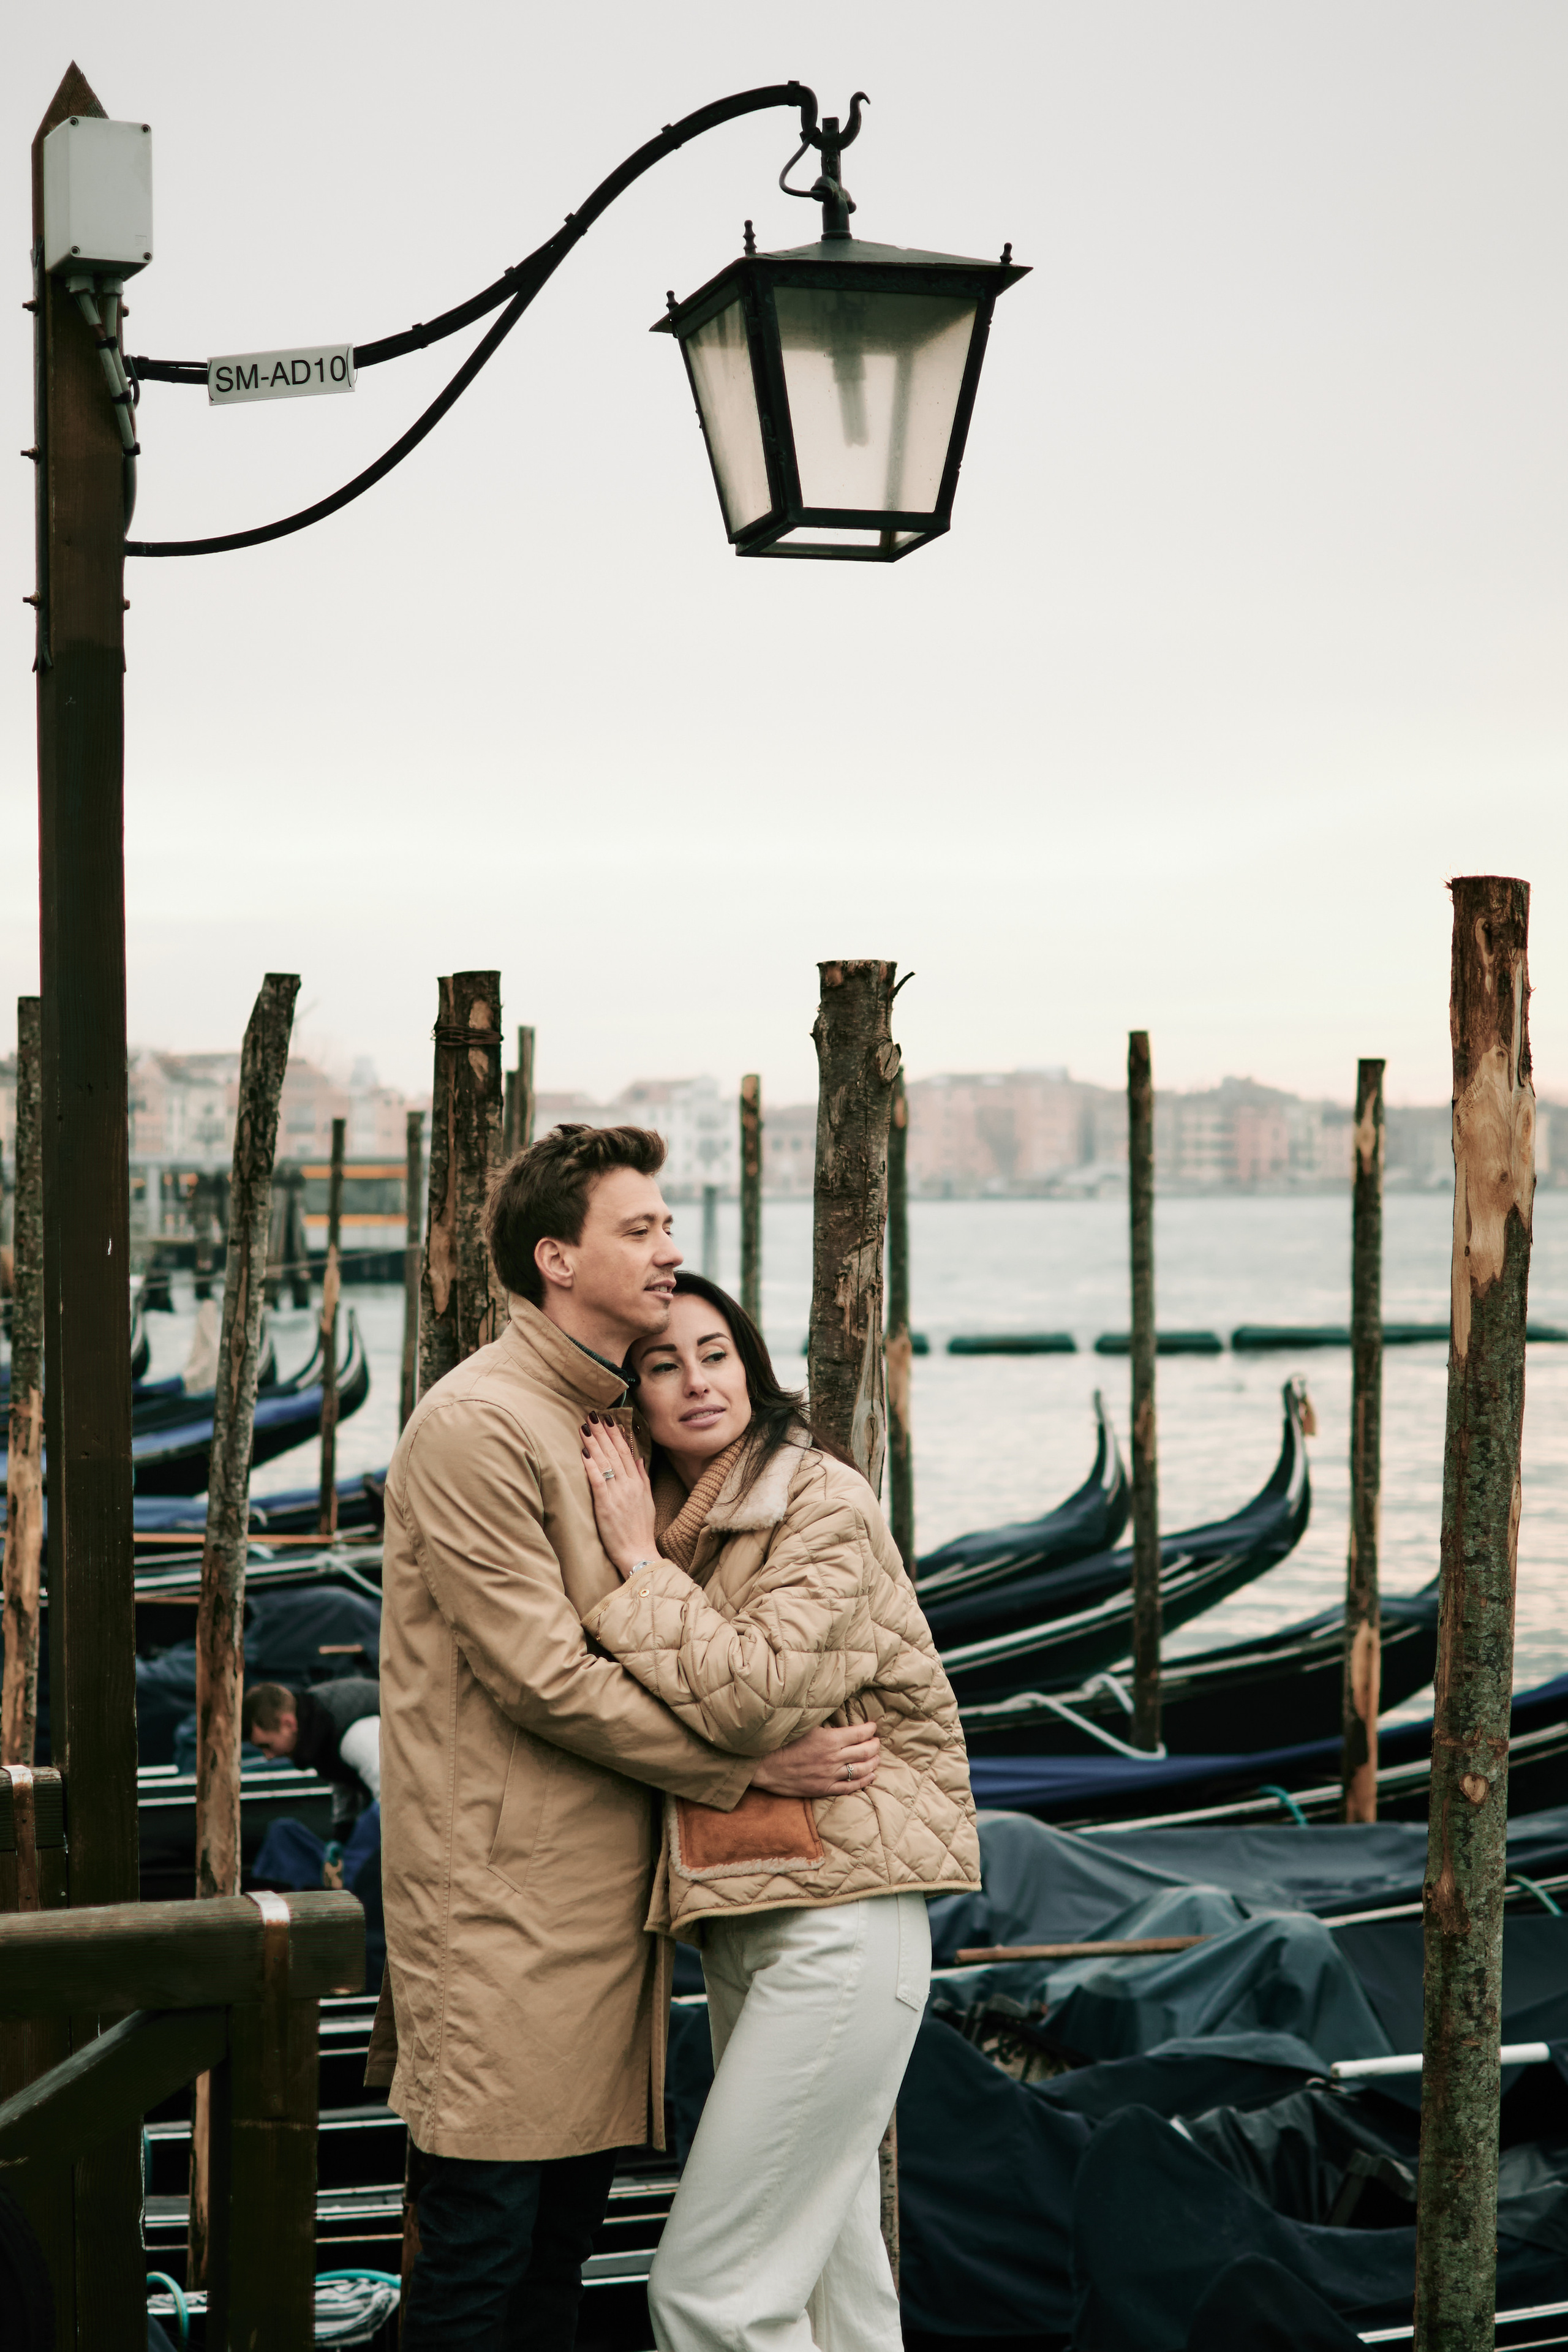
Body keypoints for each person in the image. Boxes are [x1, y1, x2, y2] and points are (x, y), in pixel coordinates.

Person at [379, 1126, 878, 2351]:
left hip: (609, 1913)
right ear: (557, 1258)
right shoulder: (477, 1425)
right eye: (639, 1229)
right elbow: (543, 1677)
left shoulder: (613, 1423)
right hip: (501, 1916)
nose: (670, 1249)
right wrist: (744, 1765)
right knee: (481, 2263)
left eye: (665, 1225)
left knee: (558, 2266)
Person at [578, 1269, 981, 2352]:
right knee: (836, 2305)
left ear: (753, 1371)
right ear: (632, 1399)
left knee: (710, 2296)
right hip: (752, 1924)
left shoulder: (817, 1498)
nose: (697, 1383)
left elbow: (752, 1693)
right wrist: (747, 1767)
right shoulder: (684, 1525)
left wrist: (632, 1561)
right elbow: (662, 1724)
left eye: (716, 1355)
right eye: (662, 1366)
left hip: (840, 1928)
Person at [243, 1676, 382, 1829]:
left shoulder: (355, 1735)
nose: (267, 1756)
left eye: (267, 1745)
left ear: (288, 1724)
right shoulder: (315, 1726)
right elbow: (342, 1778)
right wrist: (343, 1832)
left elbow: (390, 1795)